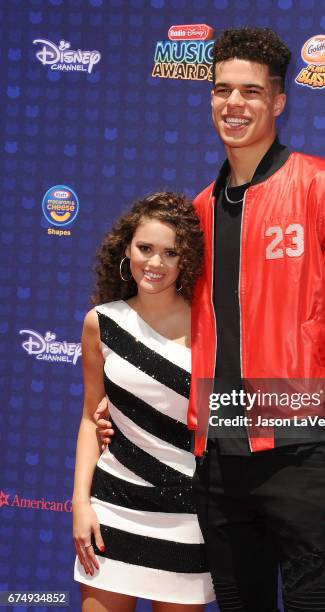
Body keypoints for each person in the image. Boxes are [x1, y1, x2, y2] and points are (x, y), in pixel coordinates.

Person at [98, 28, 325, 612]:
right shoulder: (197, 214)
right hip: (218, 464)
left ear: (279, 101)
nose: (234, 104)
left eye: (251, 92)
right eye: (222, 91)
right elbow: (174, 327)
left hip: (309, 453)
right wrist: (125, 404)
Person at [72, 192, 214, 612]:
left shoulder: (211, 325)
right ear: (126, 249)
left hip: (187, 516)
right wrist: (81, 504)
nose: (155, 263)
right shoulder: (102, 323)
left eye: (170, 253)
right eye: (145, 248)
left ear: (185, 259)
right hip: (112, 509)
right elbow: (88, 419)